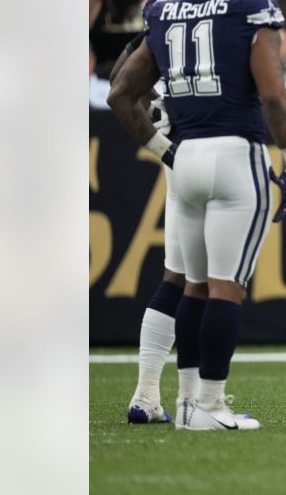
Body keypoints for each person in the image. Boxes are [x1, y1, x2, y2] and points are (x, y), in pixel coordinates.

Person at [108, 0, 286, 431]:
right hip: (235, 155)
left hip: (186, 158)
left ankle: (185, 403)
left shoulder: (162, 9)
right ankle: (209, 406)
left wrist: (161, 149)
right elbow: (272, 97)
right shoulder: (251, 8)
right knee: (223, 289)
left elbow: (119, 92)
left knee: (189, 285)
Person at [109, 34, 184, 425]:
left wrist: (158, 109)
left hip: (181, 157)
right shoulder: (230, 9)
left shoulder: (164, 16)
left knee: (177, 279)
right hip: (214, 148)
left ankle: (146, 393)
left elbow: (119, 81)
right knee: (216, 282)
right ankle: (202, 400)